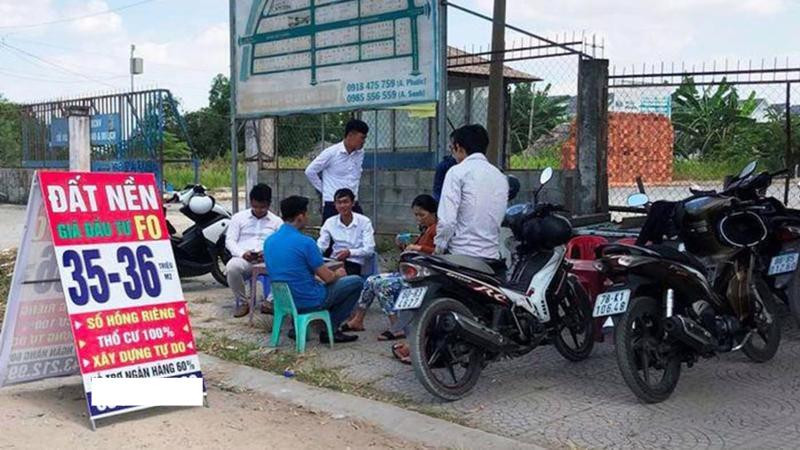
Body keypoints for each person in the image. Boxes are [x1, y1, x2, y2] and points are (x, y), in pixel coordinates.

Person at [264, 196, 362, 343]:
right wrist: (338, 274)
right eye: (306, 214)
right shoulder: (306, 242)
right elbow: (328, 278)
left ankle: (298, 326)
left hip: (283, 299)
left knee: (314, 284)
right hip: (309, 299)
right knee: (356, 282)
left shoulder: (269, 241)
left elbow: (291, 271)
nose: (307, 218)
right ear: (300, 217)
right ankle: (331, 329)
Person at [341, 194, 438, 340]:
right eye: (416, 215)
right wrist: (406, 248)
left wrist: (418, 247)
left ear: (433, 213)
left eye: (421, 215)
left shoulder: (436, 230)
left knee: (383, 285)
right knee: (371, 280)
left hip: (422, 277)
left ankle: (396, 326)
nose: (418, 218)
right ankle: (358, 319)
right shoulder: (426, 229)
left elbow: (439, 252)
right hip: (412, 271)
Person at [435, 124, 509, 259]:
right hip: (492, 258)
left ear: (458, 147)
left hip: (461, 256)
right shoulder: (500, 176)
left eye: (452, 149)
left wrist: (439, 248)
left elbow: (447, 222)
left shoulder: (457, 172)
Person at [225, 184, 283, 318]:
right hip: (244, 258)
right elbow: (230, 241)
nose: (258, 210)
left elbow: (280, 244)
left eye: (262, 207)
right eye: (255, 206)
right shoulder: (238, 218)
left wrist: (268, 253)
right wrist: (242, 254)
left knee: (285, 267)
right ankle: (243, 302)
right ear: (251, 202)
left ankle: (269, 302)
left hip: (267, 259)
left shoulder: (276, 222)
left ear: (269, 204)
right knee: (232, 267)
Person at [305, 119, 369, 222]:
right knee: (330, 235)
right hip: (333, 204)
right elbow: (310, 171)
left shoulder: (360, 153)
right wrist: (324, 190)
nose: (364, 142)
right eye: (362, 138)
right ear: (351, 135)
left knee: (360, 231)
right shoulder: (331, 153)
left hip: (352, 202)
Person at [316, 188, 375, 276]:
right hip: (335, 261)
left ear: (353, 203)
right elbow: (321, 245)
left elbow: (369, 250)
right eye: (339, 203)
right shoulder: (330, 222)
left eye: (345, 202)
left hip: (355, 263)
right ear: (335, 205)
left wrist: (350, 253)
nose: (342, 206)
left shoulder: (364, 222)